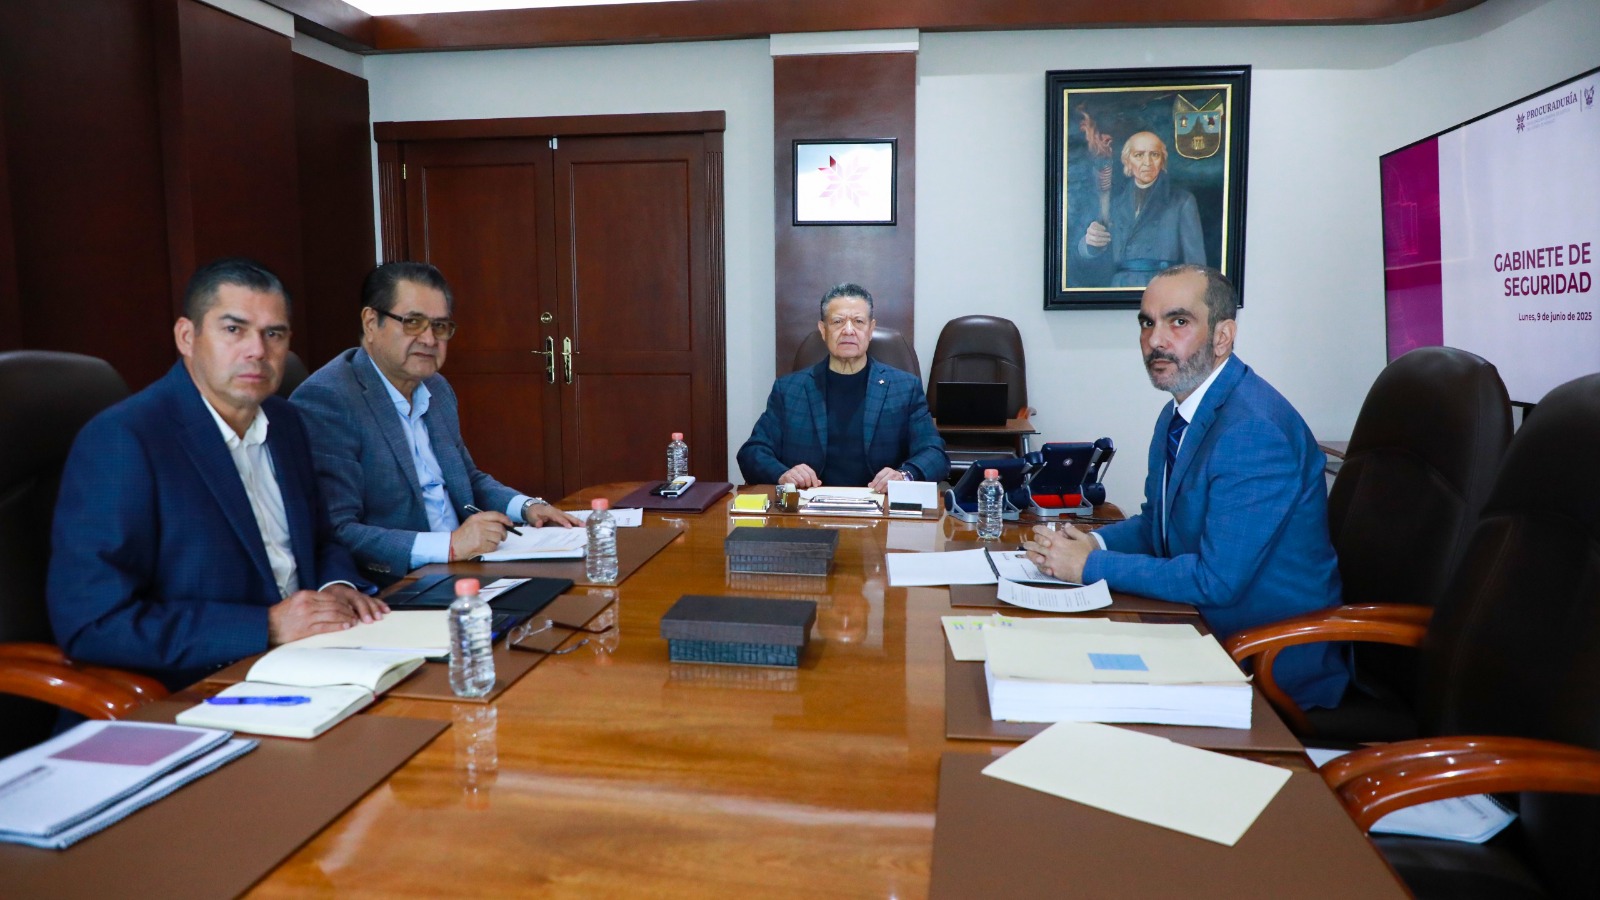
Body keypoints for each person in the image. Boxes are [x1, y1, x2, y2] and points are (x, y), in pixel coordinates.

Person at [47, 258, 383, 691]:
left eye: (274, 334)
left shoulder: (286, 423)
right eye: (234, 329)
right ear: (187, 337)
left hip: (314, 660)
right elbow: (94, 624)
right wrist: (266, 626)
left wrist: (335, 585)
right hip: (198, 689)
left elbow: (320, 539)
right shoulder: (123, 441)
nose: (257, 350)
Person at [1022, 265, 1348, 709]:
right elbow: (1158, 525)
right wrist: (1088, 542)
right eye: (1146, 322)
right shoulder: (1180, 413)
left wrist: (1089, 566)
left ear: (1222, 336)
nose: (1155, 340)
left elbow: (1217, 582)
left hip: (1264, 660)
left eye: (1178, 321)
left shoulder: (1253, 431)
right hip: (1196, 629)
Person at [291, 262, 579, 585]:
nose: (429, 339)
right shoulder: (330, 399)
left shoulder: (436, 388)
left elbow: (467, 478)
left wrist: (527, 508)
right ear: (371, 323)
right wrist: (450, 546)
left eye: (440, 326)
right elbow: (338, 530)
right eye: (413, 322)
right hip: (402, 583)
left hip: (470, 566)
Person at [737, 283, 948, 490]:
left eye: (858, 321)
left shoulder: (905, 388)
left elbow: (935, 454)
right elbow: (752, 452)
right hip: (809, 504)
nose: (848, 330)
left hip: (880, 504)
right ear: (823, 330)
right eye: (837, 321)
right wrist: (782, 474)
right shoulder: (789, 390)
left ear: (871, 329)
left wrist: (905, 475)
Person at [1073, 131, 1207, 288]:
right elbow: (1088, 262)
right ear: (1127, 161)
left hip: (1162, 289)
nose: (1147, 162)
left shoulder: (1182, 202)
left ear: (1162, 161)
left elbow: (1196, 266)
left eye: (1154, 155)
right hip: (1120, 290)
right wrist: (1090, 244)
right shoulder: (1115, 205)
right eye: (1139, 155)